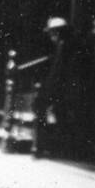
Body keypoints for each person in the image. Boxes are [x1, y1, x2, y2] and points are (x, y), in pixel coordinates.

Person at [34, 16, 72, 159]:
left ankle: (48, 147)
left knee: (55, 116)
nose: (51, 37)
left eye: (52, 33)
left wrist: (47, 91)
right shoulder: (61, 47)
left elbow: (58, 72)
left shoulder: (64, 48)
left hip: (63, 91)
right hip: (60, 90)